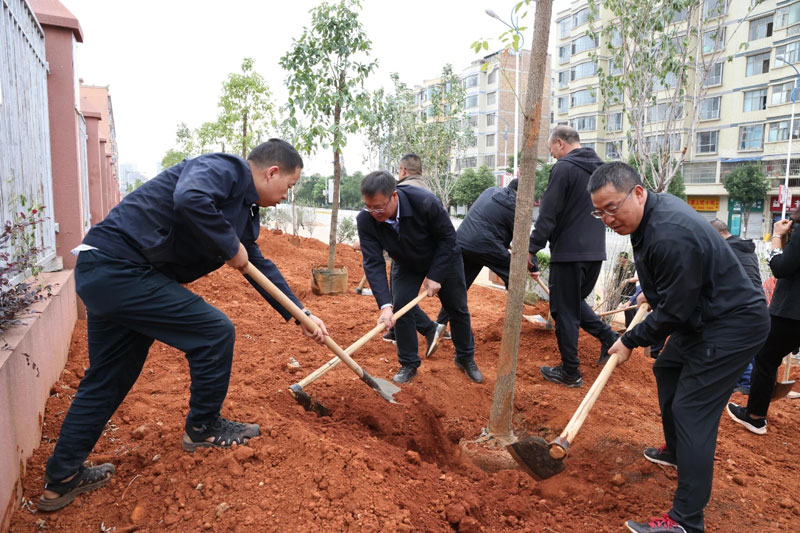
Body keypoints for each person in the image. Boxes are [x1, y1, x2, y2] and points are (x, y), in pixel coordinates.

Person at [38, 139, 329, 512]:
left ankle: (60, 480)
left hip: (110, 273)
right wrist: (230, 248)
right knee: (214, 332)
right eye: (288, 187)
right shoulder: (225, 169)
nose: (285, 196)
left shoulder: (244, 209)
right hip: (120, 268)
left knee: (108, 377)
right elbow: (190, 198)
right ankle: (203, 429)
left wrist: (299, 313)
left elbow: (255, 262)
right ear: (272, 172)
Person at [590, 162, 769, 533]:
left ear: (638, 193)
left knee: (692, 409)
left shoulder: (669, 232)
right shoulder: (651, 216)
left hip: (732, 323)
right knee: (667, 368)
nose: (607, 218)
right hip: (703, 316)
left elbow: (675, 309)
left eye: (612, 207)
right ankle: (677, 451)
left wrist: (628, 339)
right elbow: (675, 287)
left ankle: (686, 521)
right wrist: (650, 290)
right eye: (599, 211)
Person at [356, 171, 482, 384]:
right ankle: (408, 363)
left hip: (442, 258)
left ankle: (465, 357)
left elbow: (449, 239)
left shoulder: (423, 202)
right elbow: (373, 262)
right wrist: (385, 306)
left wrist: (435, 275)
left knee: (457, 307)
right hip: (405, 262)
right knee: (401, 306)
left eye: (379, 207)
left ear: (394, 196)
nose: (374, 212)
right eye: (369, 207)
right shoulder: (366, 220)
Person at [528, 125, 619, 387]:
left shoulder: (564, 168)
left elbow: (549, 212)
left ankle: (570, 372)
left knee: (564, 311)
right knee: (574, 302)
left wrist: (532, 247)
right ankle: (609, 337)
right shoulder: (602, 171)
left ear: (560, 143)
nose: (554, 157)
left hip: (569, 252)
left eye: (553, 151)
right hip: (595, 252)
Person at [727, 208, 800, 434]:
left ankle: (755, 416)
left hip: (791, 312)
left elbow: (780, 267)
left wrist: (777, 237)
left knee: (766, 357)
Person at [380, 153, 444, 355]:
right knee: (400, 299)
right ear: (421, 172)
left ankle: (429, 328)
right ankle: (398, 333)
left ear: (403, 171)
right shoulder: (429, 190)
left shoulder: (401, 192)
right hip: (430, 255)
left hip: (406, 256)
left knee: (401, 301)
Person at [435, 179, 519, 327]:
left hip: (463, 243)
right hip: (487, 245)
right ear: (519, 193)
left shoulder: (490, 191)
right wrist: (533, 267)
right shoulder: (515, 206)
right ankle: (515, 321)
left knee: (460, 288)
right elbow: (523, 239)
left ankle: (440, 325)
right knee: (514, 275)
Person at [710, 218, 763, 394]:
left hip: (741, 306)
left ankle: (745, 385)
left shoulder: (726, 250)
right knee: (750, 347)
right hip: (758, 305)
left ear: (716, 235)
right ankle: (754, 383)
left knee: (735, 345)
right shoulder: (744, 248)